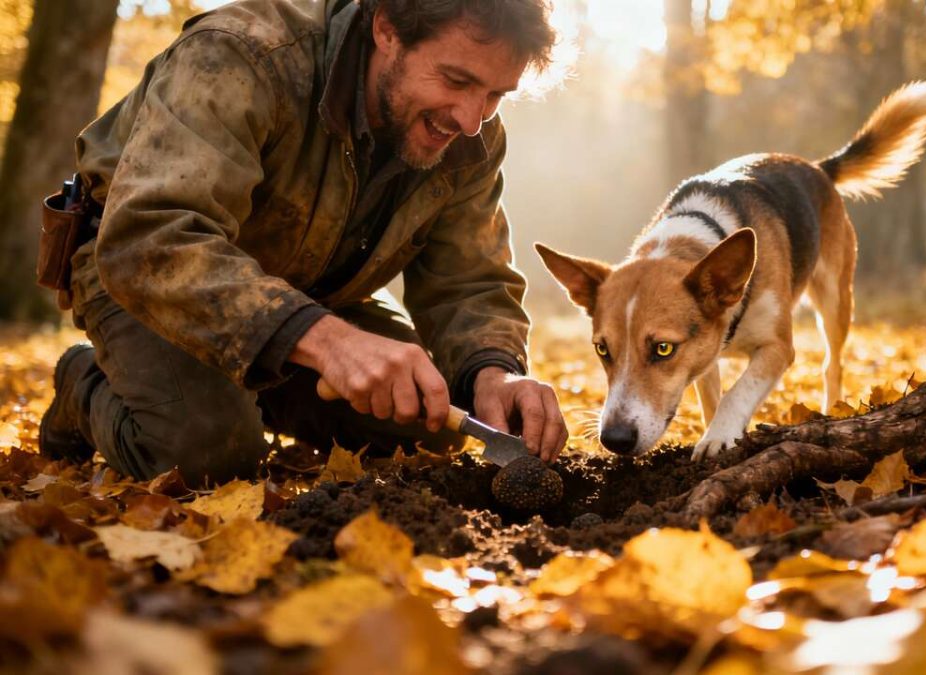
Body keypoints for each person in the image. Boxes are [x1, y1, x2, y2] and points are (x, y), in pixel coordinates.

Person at [38, 0, 569, 486]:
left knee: (434, 419)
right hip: (144, 278)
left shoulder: (472, 137)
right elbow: (150, 237)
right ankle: (83, 384)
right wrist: (330, 344)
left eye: (495, 95)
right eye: (455, 80)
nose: (472, 120)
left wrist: (494, 373)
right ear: (386, 29)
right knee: (206, 456)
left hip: (307, 298)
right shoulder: (240, 54)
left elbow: (469, 279)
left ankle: (250, 387)